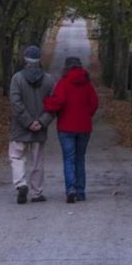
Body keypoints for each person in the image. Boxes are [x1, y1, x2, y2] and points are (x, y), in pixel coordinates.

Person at [43, 56, 99, 203]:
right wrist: (87, 115)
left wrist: (46, 103)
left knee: (69, 159)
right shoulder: (87, 84)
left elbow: (58, 102)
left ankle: (71, 189)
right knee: (80, 159)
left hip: (66, 127)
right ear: (80, 66)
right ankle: (81, 191)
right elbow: (94, 102)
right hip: (84, 127)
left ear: (66, 67)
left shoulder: (63, 83)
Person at [8, 45, 56, 204]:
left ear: (25, 59)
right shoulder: (49, 80)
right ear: (39, 59)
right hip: (39, 129)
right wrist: (41, 122)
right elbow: (53, 105)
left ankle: (21, 184)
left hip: (19, 127)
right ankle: (37, 192)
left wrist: (27, 122)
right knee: (37, 160)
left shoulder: (17, 78)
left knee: (16, 156)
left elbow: (15, 102)